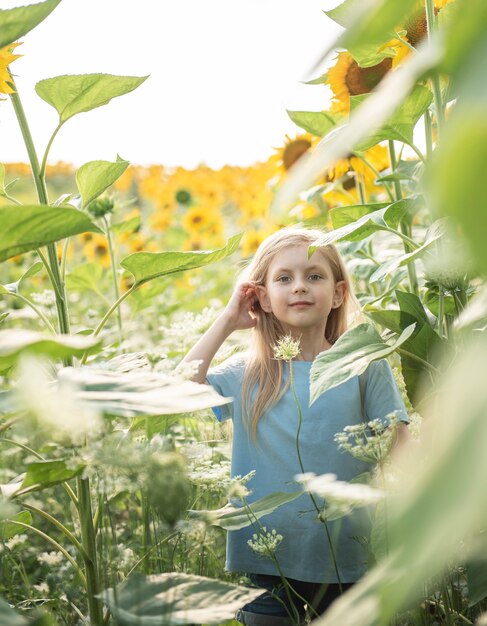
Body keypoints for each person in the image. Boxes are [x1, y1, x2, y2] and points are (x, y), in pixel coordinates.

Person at [181, 227, 409, 625]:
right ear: (262, 298)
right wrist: (227, 319)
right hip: (265, 562)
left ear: (338, 293)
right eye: (284, 278)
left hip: (347, 561)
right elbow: (179, 390)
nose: (299, 287)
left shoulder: (364, 365)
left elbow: (402, 449)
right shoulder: (248, 373)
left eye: (314, 276)